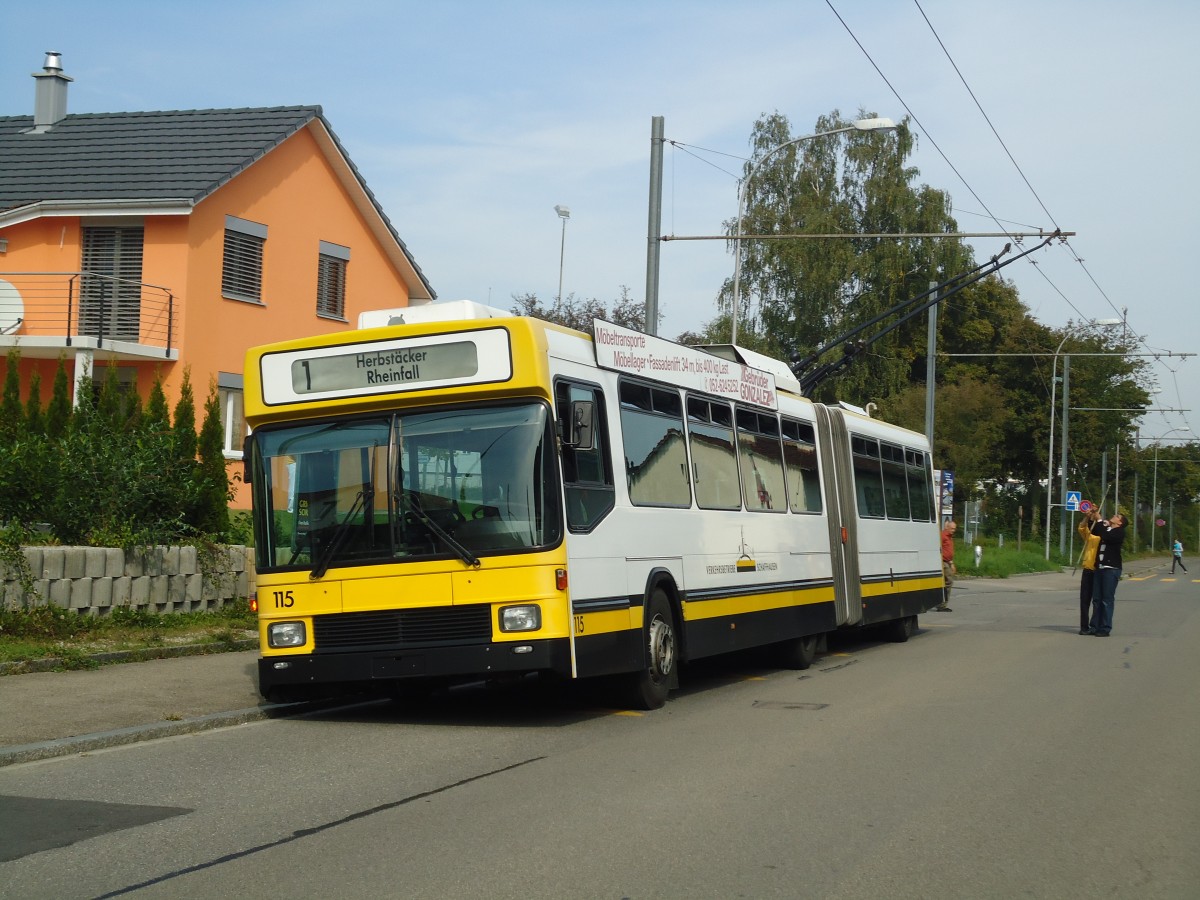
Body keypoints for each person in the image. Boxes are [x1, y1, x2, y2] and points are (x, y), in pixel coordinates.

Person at [1088, 513, 1127, 637]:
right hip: (1099, 568)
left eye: (1117, 516)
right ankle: (1094, 626)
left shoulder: (1119, 532)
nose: (1113, 516)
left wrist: (1100, 520)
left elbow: (1106, 536)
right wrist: (1092, 518)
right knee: (1097, 599)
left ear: (1120, 522)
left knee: (1106, 600)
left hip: (1111, 569)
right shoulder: (1107, 529)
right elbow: (1094, 531)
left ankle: (1105, 628)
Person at [1076, 508, 1101, 634]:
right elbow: (1081, 527)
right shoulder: (1090, 537)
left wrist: (1097, 516)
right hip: (1088, 569)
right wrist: (1087, 516)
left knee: (1097, 600)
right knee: (1084, 600)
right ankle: (1084, 627)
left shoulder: (1102, 536)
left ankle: (1095, 625)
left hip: (1099, 571)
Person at [935, 520, 956, 611]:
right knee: (949, 581)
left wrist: (951, 563)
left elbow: (948, 551)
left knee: (946, 581)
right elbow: (938, 547)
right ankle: (942, 605)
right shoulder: (943, 535)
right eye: (952, 528)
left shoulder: (950, 537)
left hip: (948, 561)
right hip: (942, 561)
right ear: (947, 527)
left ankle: (941, 603)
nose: (953, 530)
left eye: (954, 529)